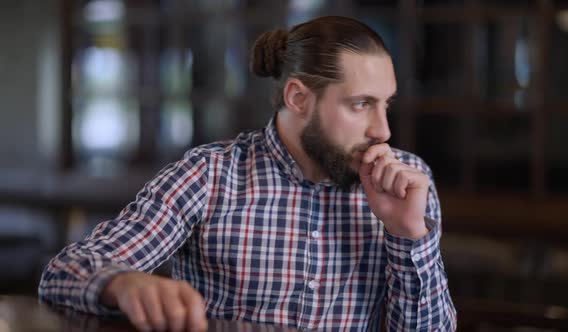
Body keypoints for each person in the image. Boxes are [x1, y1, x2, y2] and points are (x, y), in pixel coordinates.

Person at [39, 16, 456, 331]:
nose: (383, 130)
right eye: (361, 104)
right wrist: (123, 284)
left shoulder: (408, 180)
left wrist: (407, 235)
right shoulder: (209, 174)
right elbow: (63, 273)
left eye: (386, 104)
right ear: (298, 98)